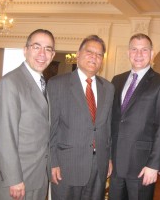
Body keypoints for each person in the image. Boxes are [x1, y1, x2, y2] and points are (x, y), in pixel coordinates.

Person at [48, 35, 114, 200]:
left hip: (99, 164)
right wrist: (53, 162)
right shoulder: (57, 84)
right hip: (66, 165)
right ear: (78, 54)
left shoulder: (109, 88)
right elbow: (50, 128)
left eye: (99, 55)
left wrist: (109, 158)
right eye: (90, 52)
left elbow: (108, 127)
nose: (94, 57)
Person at [109, 33, 160, 200]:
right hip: (116, 164)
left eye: (144, 50)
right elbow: (112, 122)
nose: (138, 54)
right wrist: (108, 157)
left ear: (152, 54)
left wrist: (153, 165)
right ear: (128, 53)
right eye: (134, 49)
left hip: (142, 166)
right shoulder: (116, 80)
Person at [0, 29, 56, 200]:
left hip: (38, 177)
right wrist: (14, 179)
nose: (42, 53)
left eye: (48, 49)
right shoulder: (10, 83)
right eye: (36, 47)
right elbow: (4, 137)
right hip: (16, 181)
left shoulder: (44, 84)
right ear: (25, 49)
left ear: (52, 55)